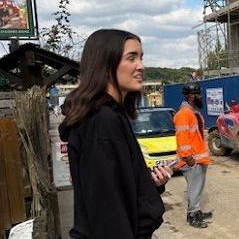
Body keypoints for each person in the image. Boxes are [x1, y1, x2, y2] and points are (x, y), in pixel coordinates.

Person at [58, 29, 171, 238]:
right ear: (106, 64)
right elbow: (108, 213)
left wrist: (150, 185)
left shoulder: (112, 115)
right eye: (131, 57)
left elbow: (119, 190)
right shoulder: (102, 121)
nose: (141, 66)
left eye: (141, 57)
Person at [174, 83, 213, 228]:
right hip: (191, 160)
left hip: (198, 159)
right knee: (194, 188)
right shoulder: (184, 114)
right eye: (198, 94)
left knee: (197, 188)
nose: (200, 97)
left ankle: (196, 211)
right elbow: (182, 137)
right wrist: (188, 158)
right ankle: (193, 216)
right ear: (191, 96)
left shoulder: (191, 112)